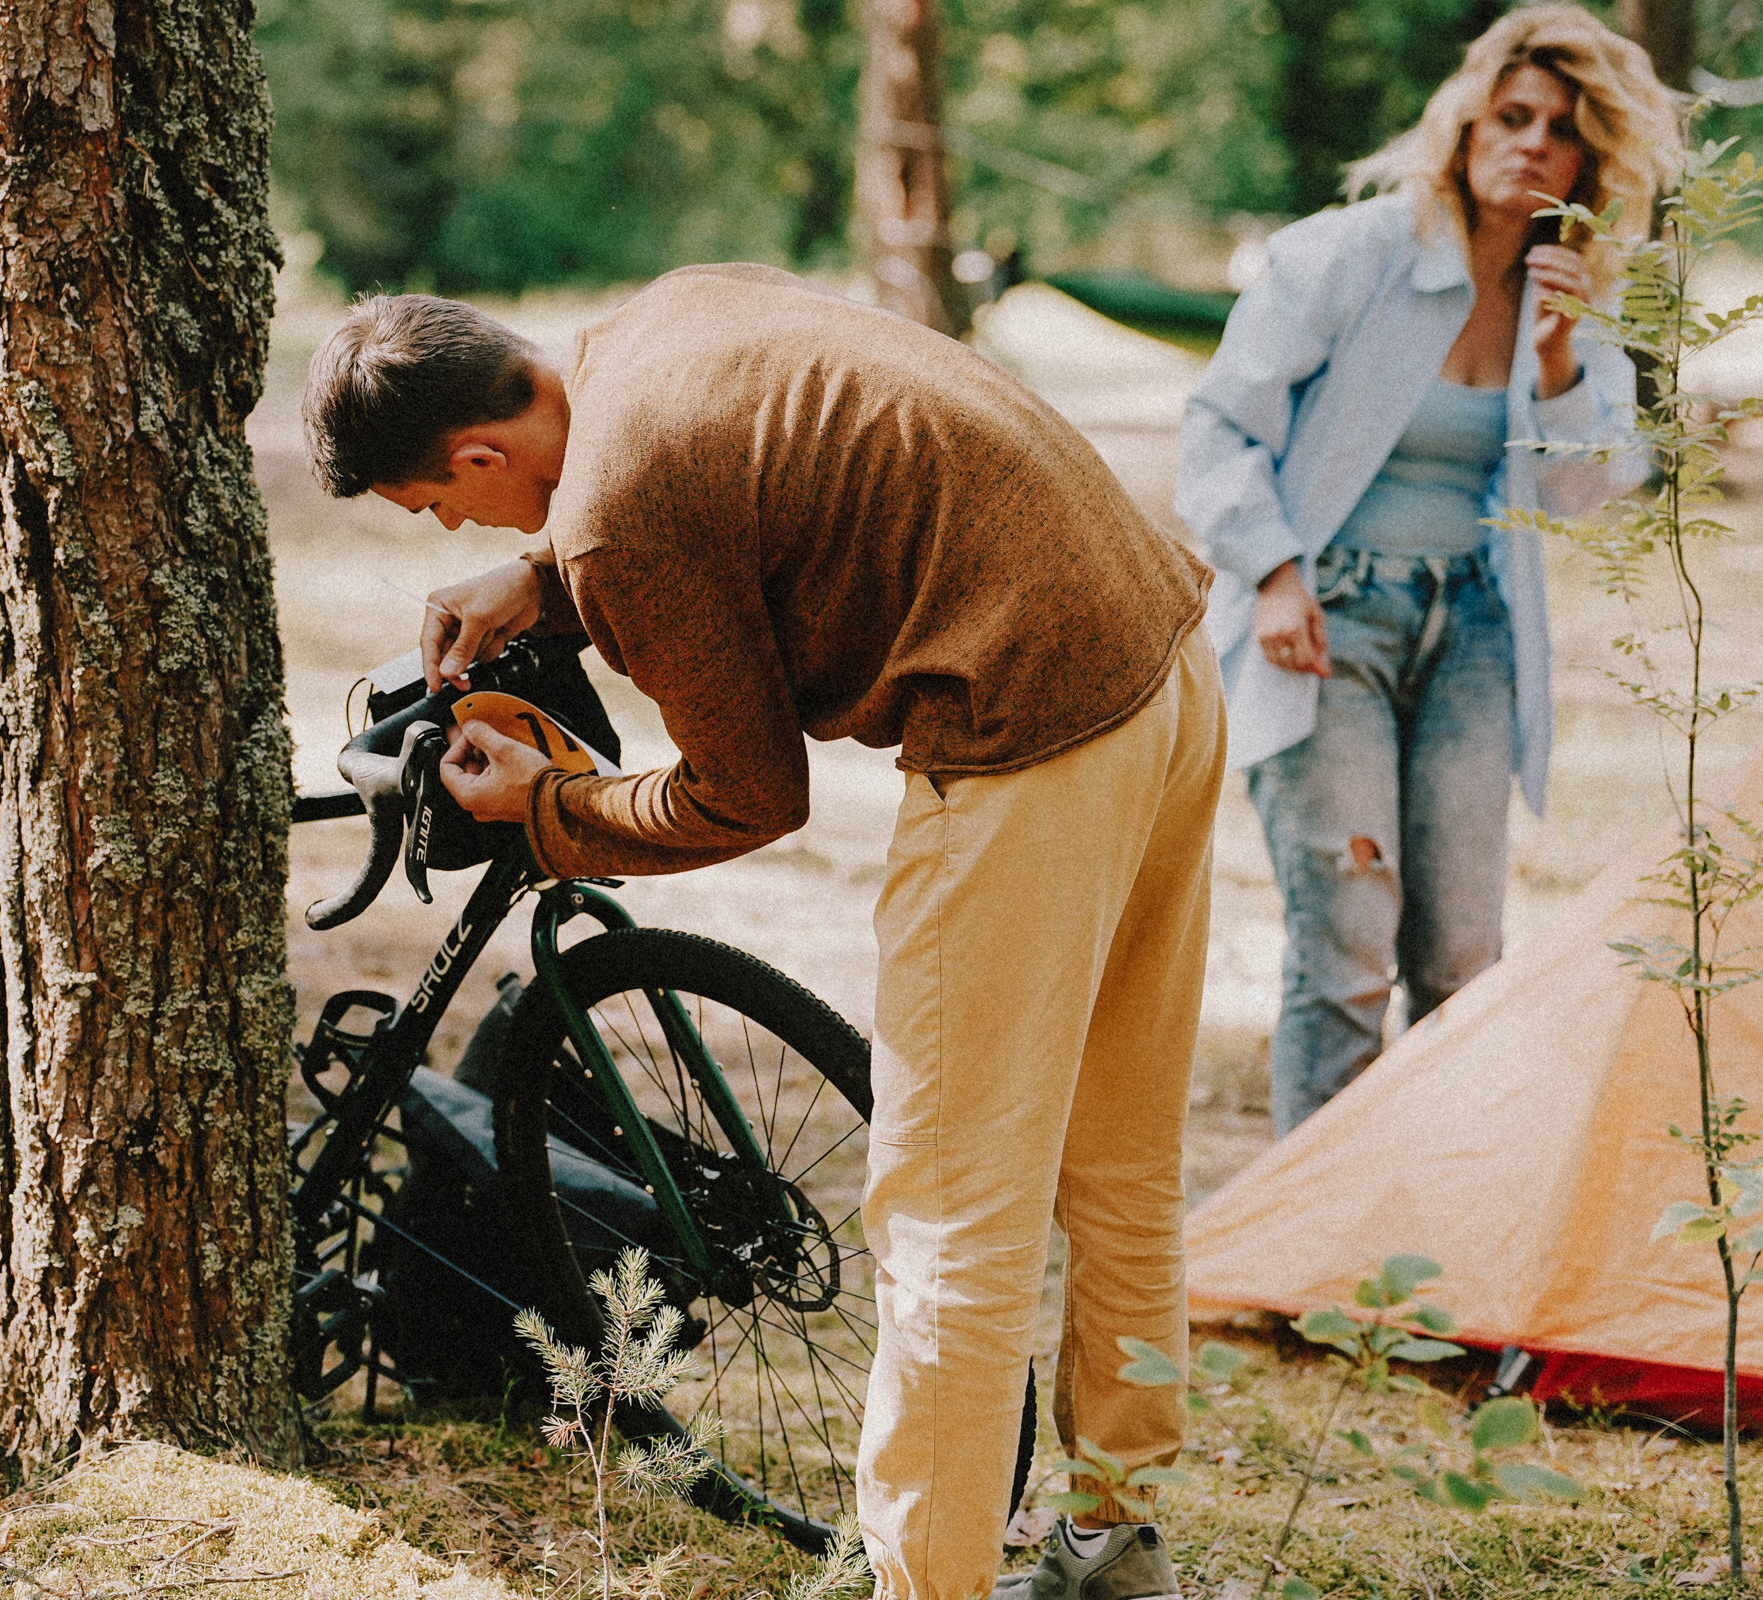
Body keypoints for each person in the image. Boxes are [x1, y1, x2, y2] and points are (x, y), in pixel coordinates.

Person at [303, 266, 1222, 1600]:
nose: (452, 527)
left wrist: (548, 804)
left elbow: (745, 794)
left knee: (949, 1213)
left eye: (440, 502)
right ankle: (1116, 1547)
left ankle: (930, 1585)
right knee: (1118, 1152)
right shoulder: (660, 322)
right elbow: (736, 483)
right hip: (1160, 666)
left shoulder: (618, 516)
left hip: (1028, 732)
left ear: (482, 449)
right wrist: (543, 580)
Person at [1176, 4, 1676, 1137]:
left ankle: (1430, 1248)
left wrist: (1555, 360)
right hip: (1326, 623)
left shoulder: (1574, 294)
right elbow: (1217, 431)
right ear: (1463, 126)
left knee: (1461, 959)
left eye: (1562, 129)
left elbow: (1586, 491)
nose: (1533, 143)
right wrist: (1272, 574)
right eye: (1512, 116)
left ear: (1590, 160)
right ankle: (1316, 1263)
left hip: (1475, 633)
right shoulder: (1349, 255)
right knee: (1348, 947)